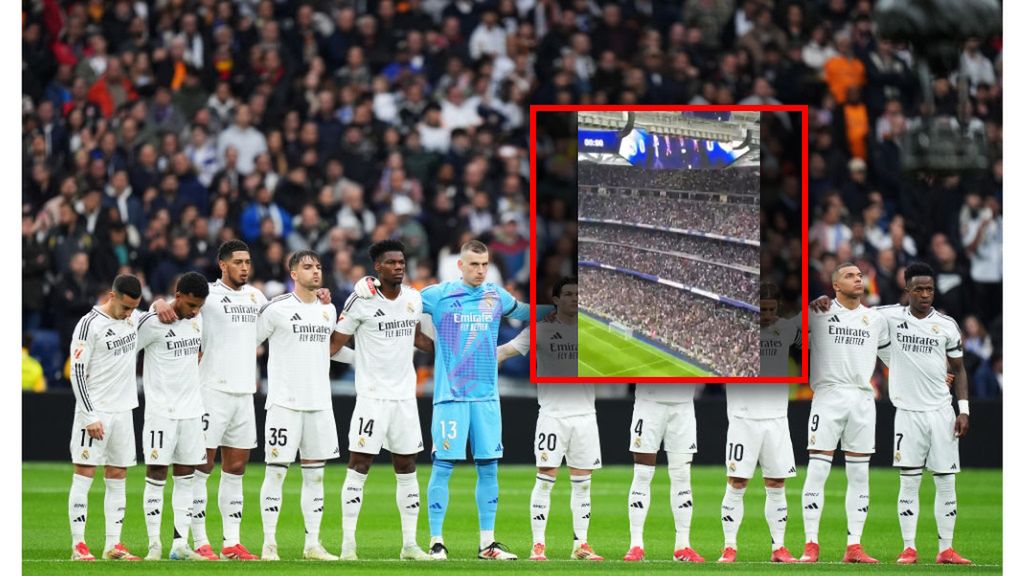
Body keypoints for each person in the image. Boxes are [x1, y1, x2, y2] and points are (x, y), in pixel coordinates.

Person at [355, 240, 534, 560]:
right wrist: (368, 284)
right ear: (460, 266)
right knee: (444, 465)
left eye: (485, 265)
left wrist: (513, 347)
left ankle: (487, 544)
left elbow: (529, 314)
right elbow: (399, 302)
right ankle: (436, 541)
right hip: (450, 396)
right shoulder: (438, 295)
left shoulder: (496, 295)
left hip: (486, 398)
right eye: (474, 265)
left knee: (489, 467)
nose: (480, 271)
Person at [153, 240, 266, 560]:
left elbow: (278, 319)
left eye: (248, 261)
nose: (245, 267)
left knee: (236, 469)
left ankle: (231, 542)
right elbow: (171, 309)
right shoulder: (209, 295)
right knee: (201, 467)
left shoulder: (257, 297)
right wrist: (157, 303)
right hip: (211, 391)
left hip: (244, 392)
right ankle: (199, 540)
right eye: (238, 262)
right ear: (222, 264)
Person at [328, 240, 433, 561]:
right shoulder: (360, 300)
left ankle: (410, 545)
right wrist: (359, 360)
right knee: (359, 465)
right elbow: (332, 345)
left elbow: (416, 338)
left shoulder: (414, 299)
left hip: (404, 398)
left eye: (402, 262)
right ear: (378, 267)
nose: (399, 267)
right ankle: (348, 546)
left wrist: (450, 350)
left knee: (407, 466)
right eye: (391, 262)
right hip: (372, 399)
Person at [496, 277, 605, 561]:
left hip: (585, 416)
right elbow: (504, 352)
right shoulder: (540, 331)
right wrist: (470, 361)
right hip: (553, 416)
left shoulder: (592, 331)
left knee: (583, 483)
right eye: (568, 294)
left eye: (579, 294)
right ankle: (538, 546)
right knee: (546, 480)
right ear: (556, 300)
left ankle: (581, 544)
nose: (574, 299)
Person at [876, 263, 972, 565]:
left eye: (929, 289)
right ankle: (909, 548)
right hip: (907, 413)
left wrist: (963, 410)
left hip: (942, 412)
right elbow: (858, 315)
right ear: (907, 290)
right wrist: (824, 302)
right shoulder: (888, 316)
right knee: (909, 481)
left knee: (946, 481)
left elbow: (959, 369)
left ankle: (946, 549)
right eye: (919, 288)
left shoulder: (946, 325)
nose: (925, 294)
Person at [800, 262, 890, 563]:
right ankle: (811, 543)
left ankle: (854, 545)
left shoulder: (874, 319)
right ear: (835, 285)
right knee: (818, 469)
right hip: (828, 397)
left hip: (863, 401)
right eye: (850, 276)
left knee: (859, 474)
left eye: (859, 275)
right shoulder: (820, 313)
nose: (858, 279)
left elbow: (891, 358)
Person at [256, 250, 339, 561]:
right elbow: (249, 341)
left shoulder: (328, 310)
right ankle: (269, 544)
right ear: (293, 274)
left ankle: (313, 544)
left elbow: (329, 349)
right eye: (307, 267)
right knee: (276, 473)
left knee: (315, 476)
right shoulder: (276, 309)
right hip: (284, 403)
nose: (315, 271)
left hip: (319, 403)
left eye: (318, 266)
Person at [717, 282, 800, 563]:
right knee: (737, 481)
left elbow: (812, 323)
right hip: (743, 418)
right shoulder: (735, 332)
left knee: (776, 483)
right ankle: (729, 546)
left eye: (771, 309)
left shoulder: (786, 329)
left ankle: (779, 547)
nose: (766, 314)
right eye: (761, 309)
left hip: (777, 418)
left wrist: (821, 303)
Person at [67, 274, 144, 561]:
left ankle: (113, 545)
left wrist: (162, 302)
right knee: (85, 473)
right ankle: (79, 545)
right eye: (125, 307)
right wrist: (89, 415)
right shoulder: (89, 325)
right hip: (95, 412)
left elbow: (155, 315)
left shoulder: (133, 318)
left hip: (124, 411)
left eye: (134, 308)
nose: (129, 313)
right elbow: (76, 372)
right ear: (112, 296)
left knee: (118, 475)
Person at [136, 272, 210, 560]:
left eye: (199, 306)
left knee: (186, 476)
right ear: (177, 296)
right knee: (156, 473)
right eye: (191, 305)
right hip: (161, 412)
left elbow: (199, 355)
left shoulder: (198, 319)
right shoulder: (154, 322)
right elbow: (126, 336)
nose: (195, 311)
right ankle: (154, 544)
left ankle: (180, 544)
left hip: (191, 412)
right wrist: (155, 304)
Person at [623, 383, 704, 563]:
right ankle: (636, 545)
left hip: (683, 404)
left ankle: (682, 545)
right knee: (643, 473)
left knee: (682, 474)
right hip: (649, 401)